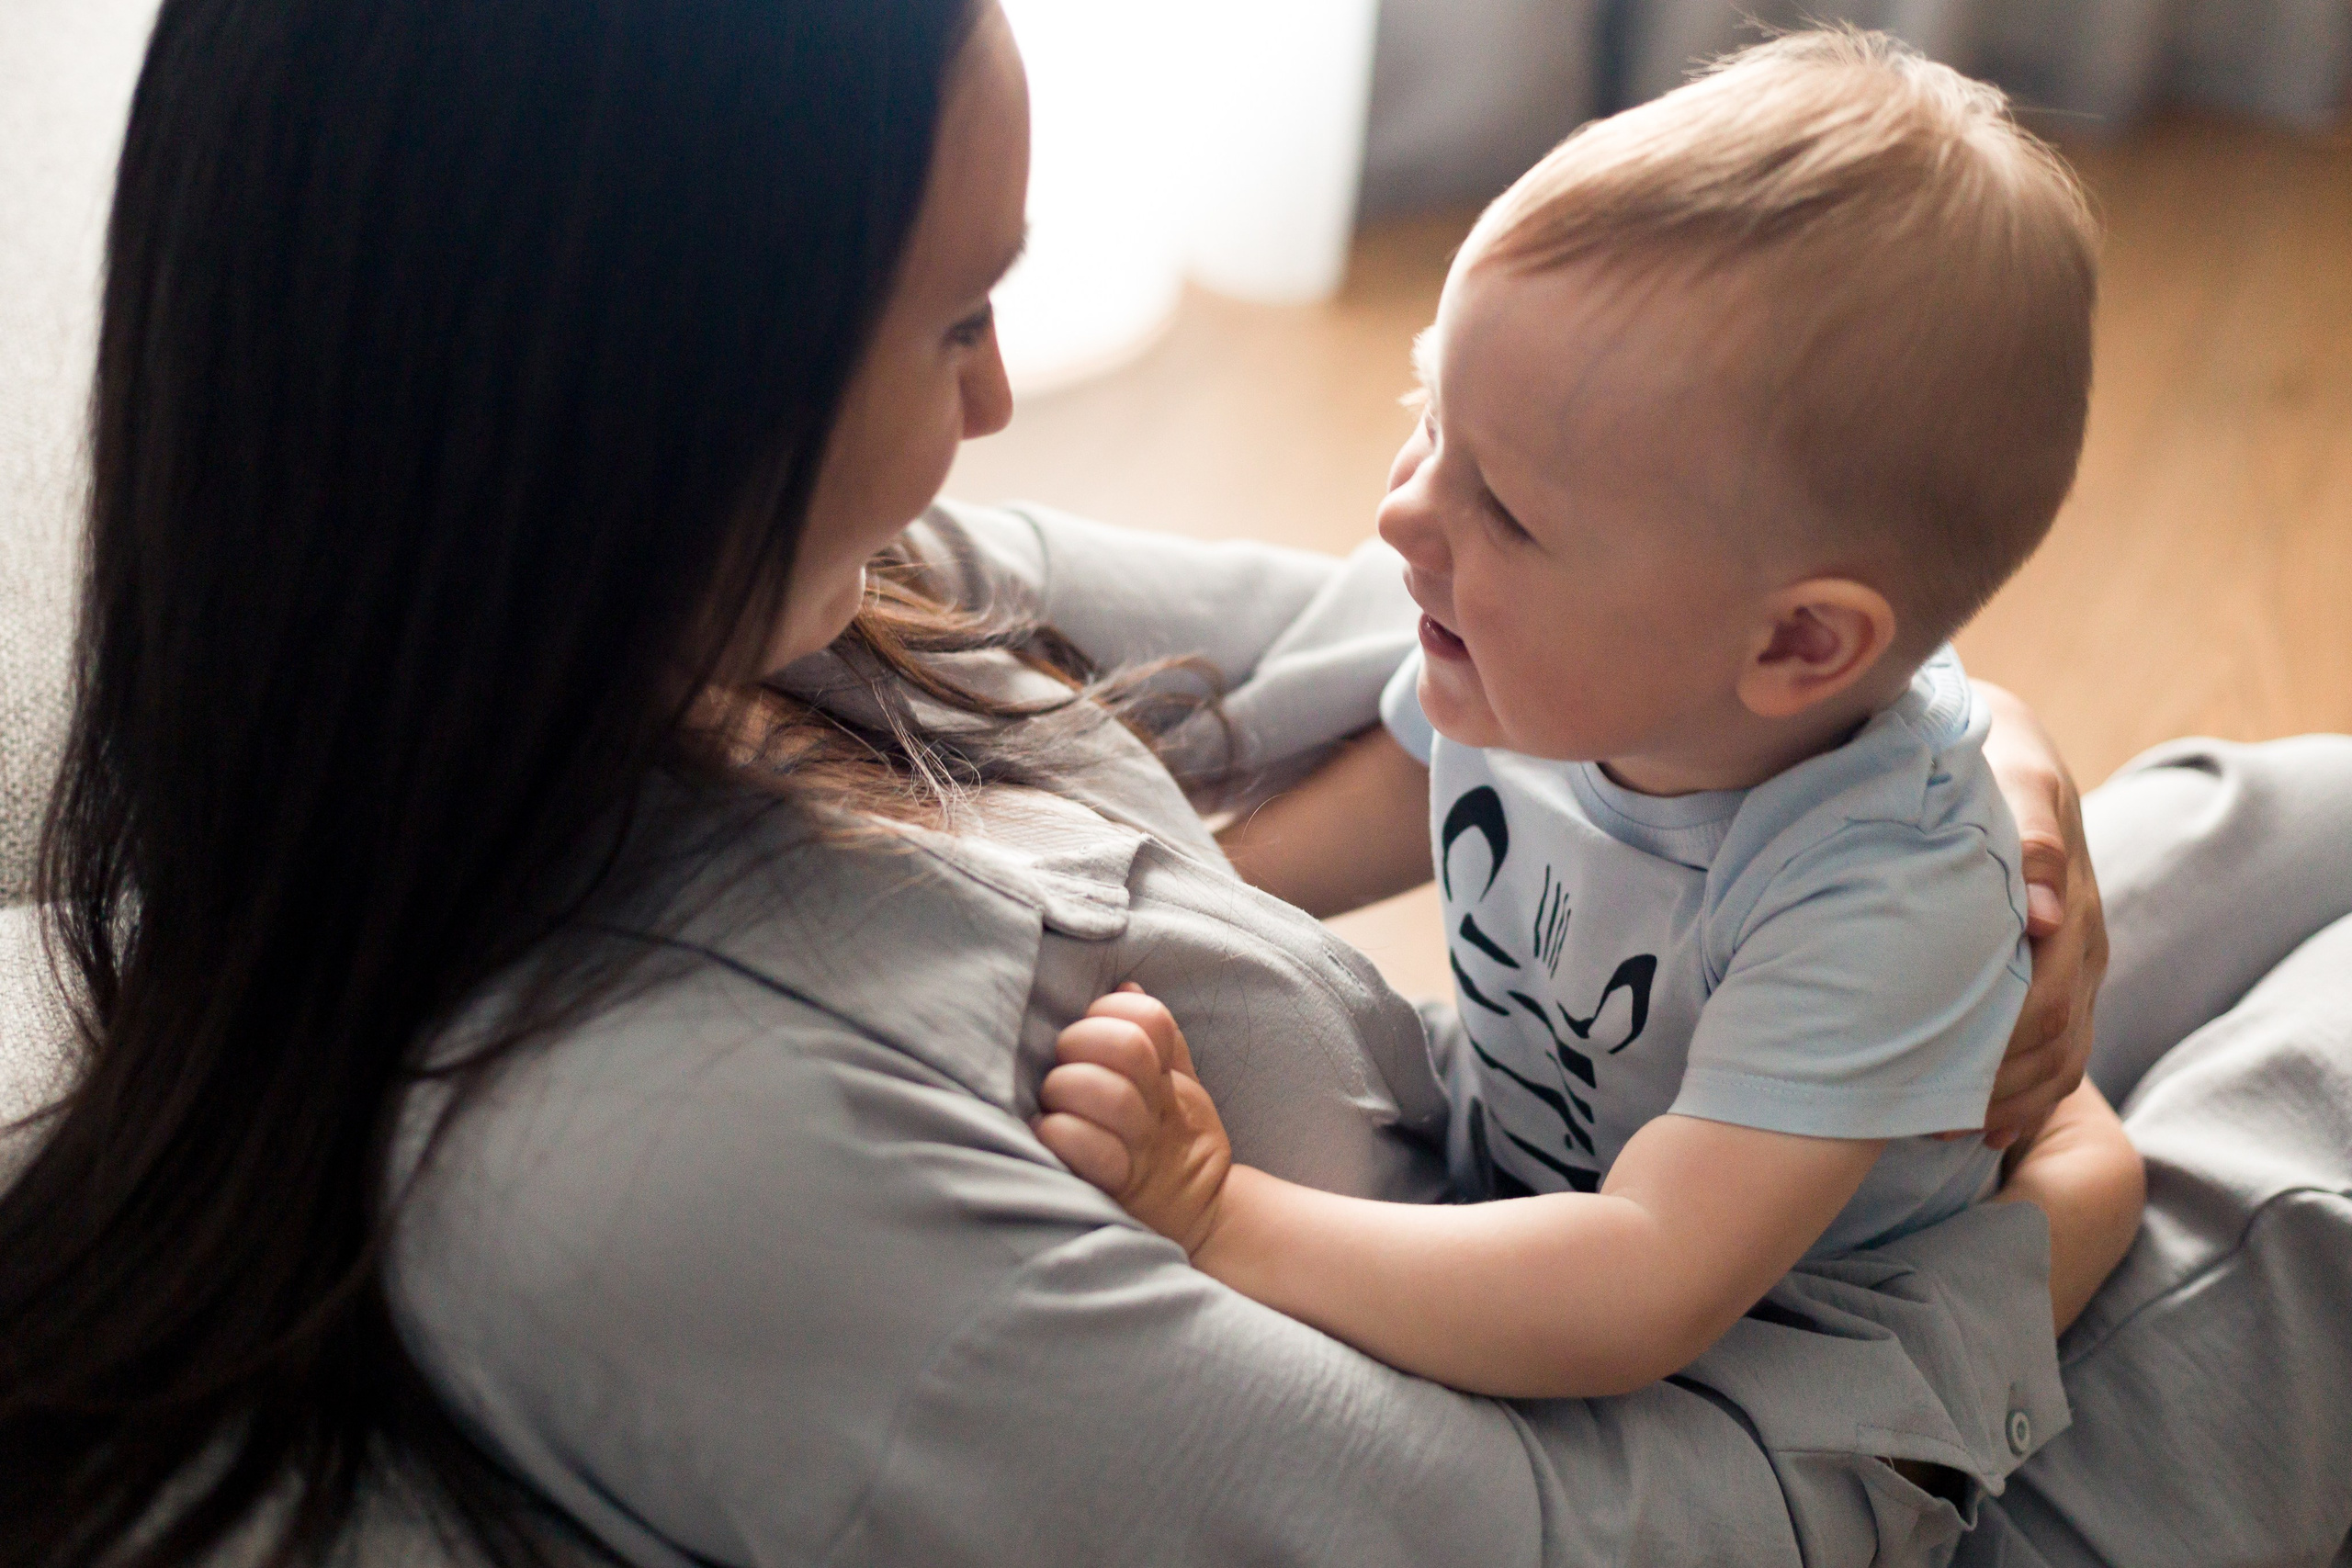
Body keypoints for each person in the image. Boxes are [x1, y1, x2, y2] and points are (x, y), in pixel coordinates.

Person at [0, 3, 2345, 1567]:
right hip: (1814, 1459)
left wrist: (1979, 782)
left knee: (2256, 809)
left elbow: (1542, 639)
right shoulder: (689, 1175)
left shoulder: (752, 618)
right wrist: (2021, 1248)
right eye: (947, 321)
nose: (1002, 400)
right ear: (632, 412)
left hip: (1634, 1148)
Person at [1028, 33, 2147, 1401]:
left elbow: (1639, 1286)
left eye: (1503, 507)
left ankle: (2075, 1172)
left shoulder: (1874, 892)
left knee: (2064, 1211)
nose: (1400, 512)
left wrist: (1218, 1214)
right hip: (1556, 1142)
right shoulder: (1530, 669)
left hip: (1799, 1303)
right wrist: (1160, 911)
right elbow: (1395, 789)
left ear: (1797, 641)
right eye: (1425, 415)